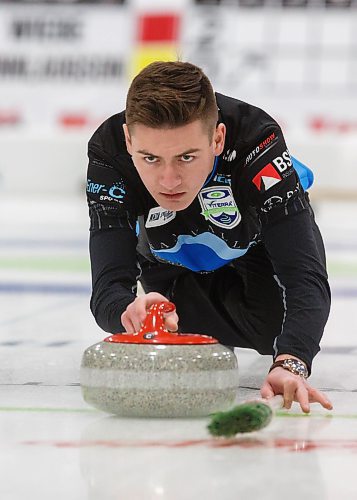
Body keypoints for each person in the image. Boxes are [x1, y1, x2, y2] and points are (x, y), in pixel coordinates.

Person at [86, 61, 333, 413]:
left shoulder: (256, 140)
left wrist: (290, 361)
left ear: (217, 138)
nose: (169, 180)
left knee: (275, 332)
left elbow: (304, 276)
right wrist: (129, 313)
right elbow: (108, 285)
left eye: (186, 157)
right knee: (174, 330)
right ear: (128, 140)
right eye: (150, 158)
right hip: (169, 253)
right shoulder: (109, 152)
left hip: (254, 241)